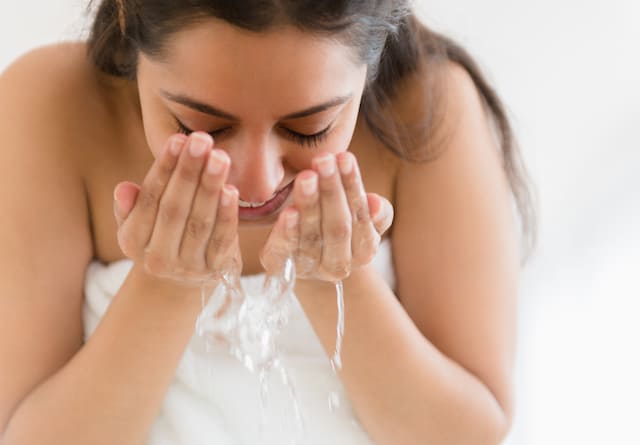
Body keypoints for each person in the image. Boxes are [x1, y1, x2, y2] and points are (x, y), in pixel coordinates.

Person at [0, 1, 536, 444]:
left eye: (310, 129)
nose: (256, 184)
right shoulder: (49, 105)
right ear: (126, 19)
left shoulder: (427, 110)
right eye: (199, 126)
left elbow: (466, 436)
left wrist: (336, 282)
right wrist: (165, 284)